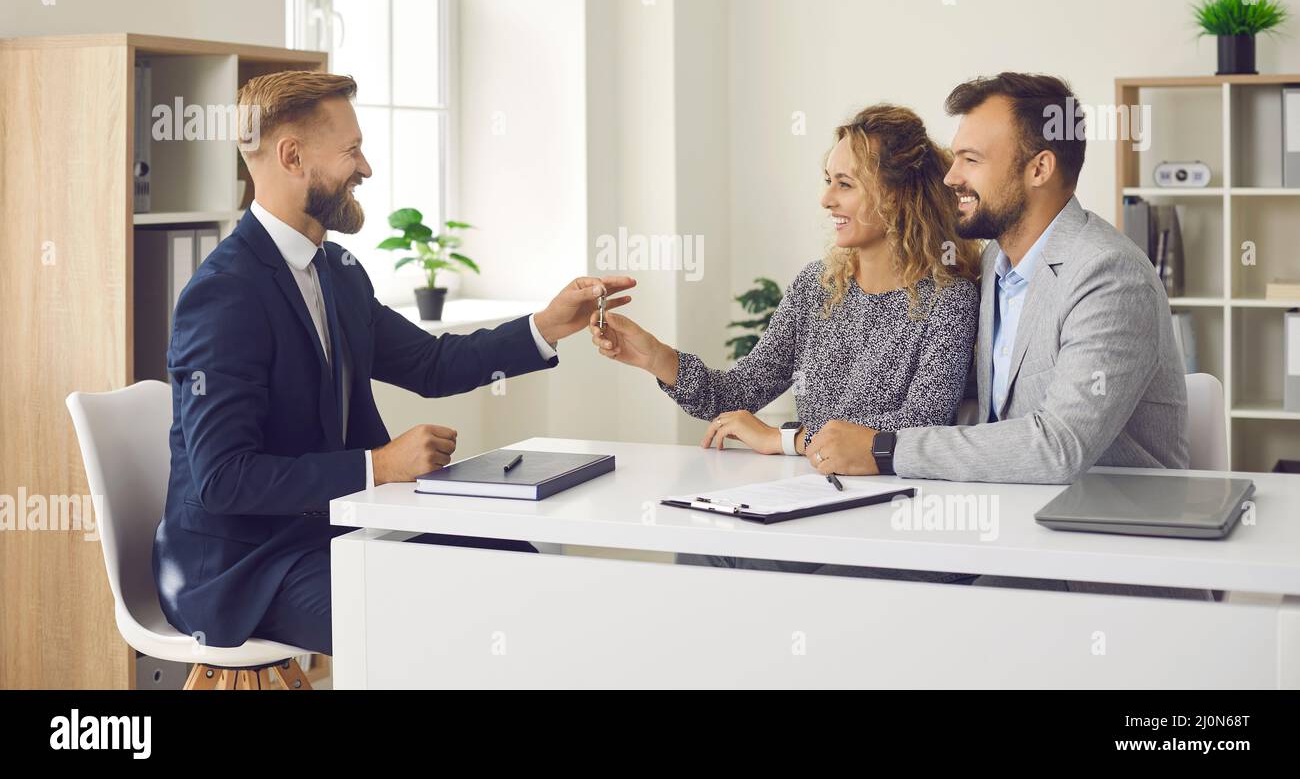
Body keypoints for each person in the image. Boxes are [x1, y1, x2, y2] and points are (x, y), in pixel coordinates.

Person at [152, 71, 635, 655]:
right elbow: (224, 480)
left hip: (332, 531)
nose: (366, 168)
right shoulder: (225, 294)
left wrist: (548, 325)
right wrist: (377, 465)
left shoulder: (337, 272)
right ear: (292, 156)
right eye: (352, 151)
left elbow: (431, 364)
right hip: (246, 565)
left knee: (521, 575)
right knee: (441, 623)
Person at [799, 73, 1199, 598]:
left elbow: (1059, 446)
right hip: (1009, 529)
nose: (949, 178)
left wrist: (883, 448)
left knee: (843, 594)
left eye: (971, 160)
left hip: (1100, 556)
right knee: (797, 564)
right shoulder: (994, 265)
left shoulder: (1108, 275)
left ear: (1039, 168)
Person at [591, 103, 981, 581]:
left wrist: (784, 440)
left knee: (756, 566)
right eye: (827, 180)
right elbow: (739, 393)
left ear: (898, 195)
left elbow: (919, 426)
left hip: (888, 512)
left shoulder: (951, 299)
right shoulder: (815, 287)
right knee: (696, 544)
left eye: (845, 184)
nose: (825, 199)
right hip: (809, 496)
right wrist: (655, 357)